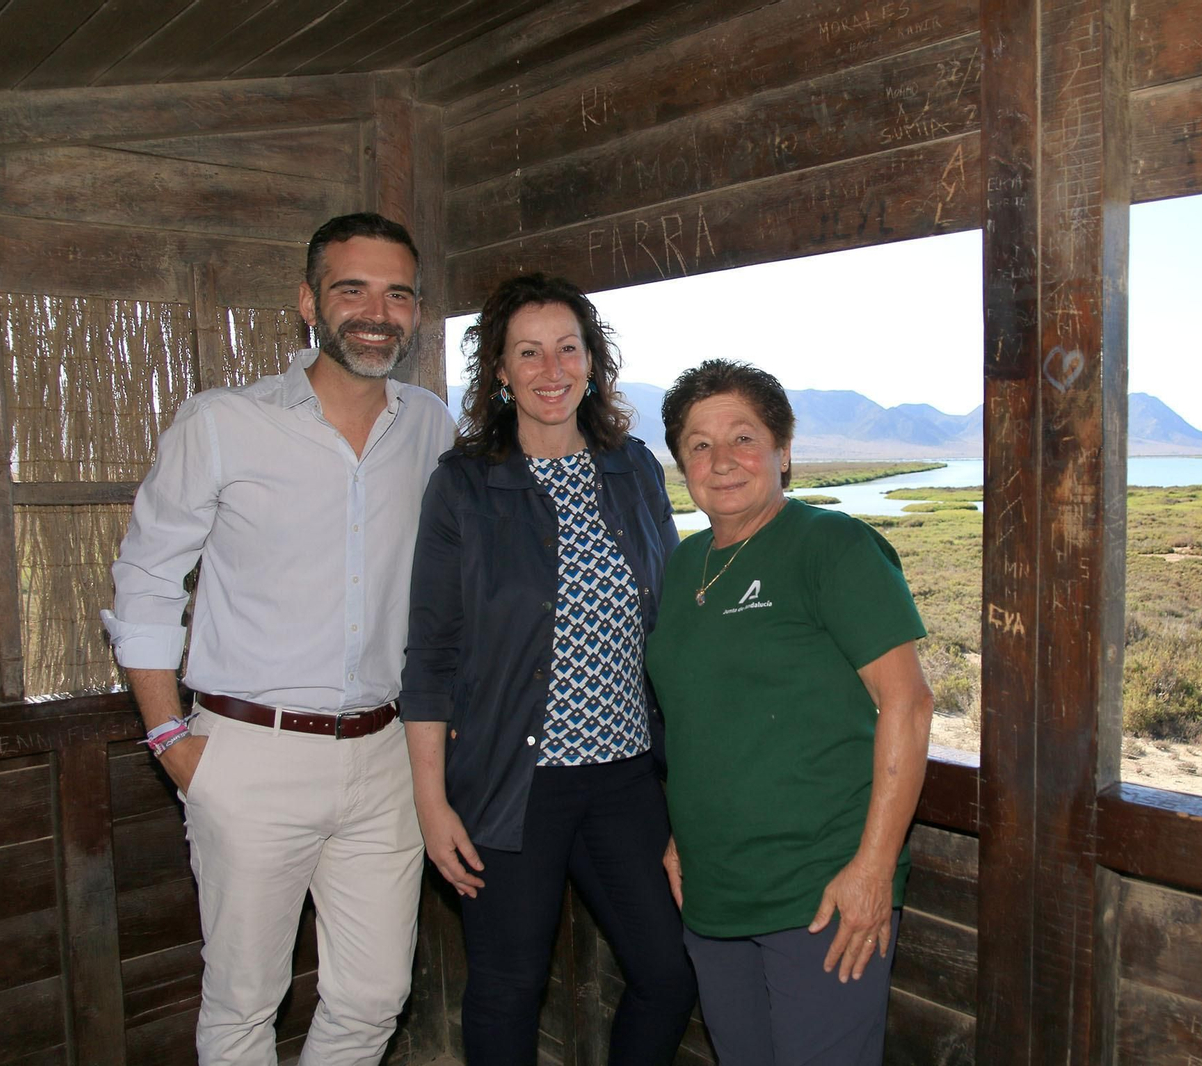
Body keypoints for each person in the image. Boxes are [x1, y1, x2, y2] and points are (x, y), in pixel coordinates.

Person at [103, 212, 455, 1064]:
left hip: (385, 760)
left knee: (375, 997)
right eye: (353, 289)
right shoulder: (222, 423)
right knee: (242, 1002)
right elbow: (147, 581)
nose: (378, 311)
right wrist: (174, 746)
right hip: (246, 756)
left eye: (398, 293)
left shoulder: (433, 428)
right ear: (308, 302)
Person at [398, 273, 695, 1064]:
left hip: (626, 780)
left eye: (568, 347)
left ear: (593, 361)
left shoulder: (633, 468)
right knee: (507, 988)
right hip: (508, 786)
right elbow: (429, 652)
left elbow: (668, 624)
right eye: (527, 352)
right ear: (498, 371)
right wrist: (432, 801)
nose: (550, 368)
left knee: (669, 974)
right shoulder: (463, 485)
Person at [647, 359, 934, 1066]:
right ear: (680, 462)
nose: (722, 461)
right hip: (713, 892)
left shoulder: (832, 548)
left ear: (782, 449)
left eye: (743, 438)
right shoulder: (685, 568)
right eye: (699, 444)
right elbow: (696, 719)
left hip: (820, 894)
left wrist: (873, 868)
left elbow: (909, 703)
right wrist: (682, 836)